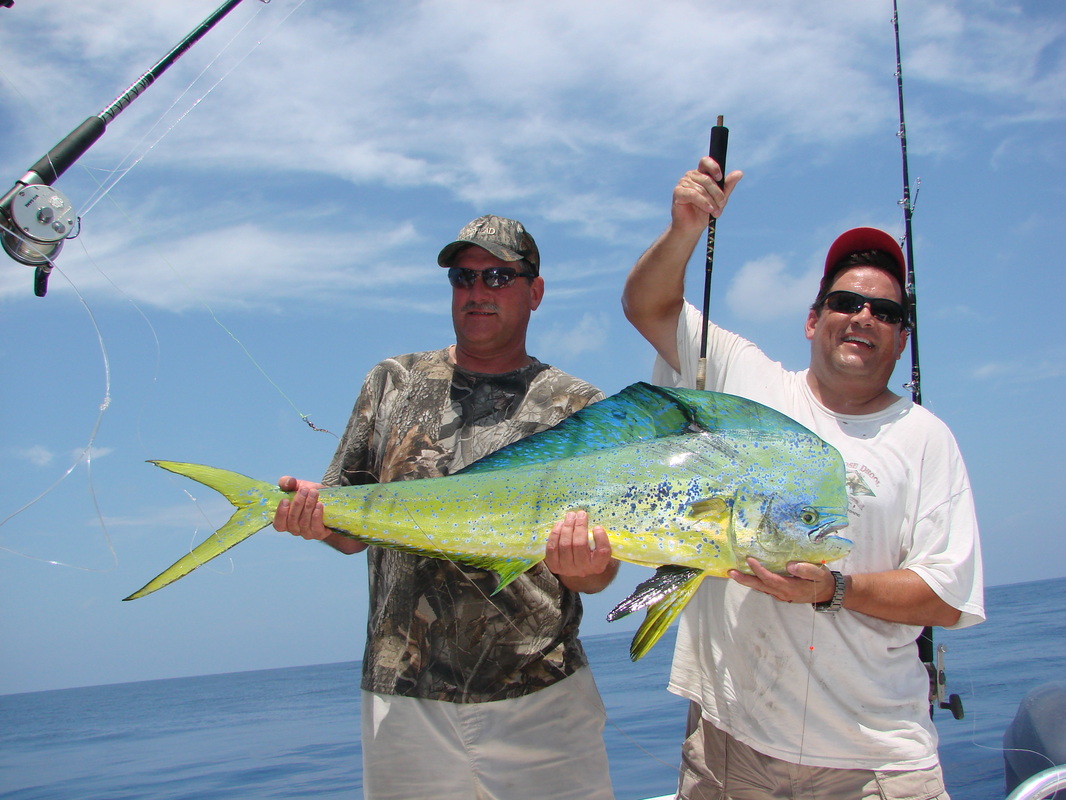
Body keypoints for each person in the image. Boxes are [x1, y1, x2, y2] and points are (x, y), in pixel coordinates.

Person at [621, 157, 985, 800]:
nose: (864, 317)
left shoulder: (926, 439)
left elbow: (947, 595)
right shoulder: (745, 379)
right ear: (813, 320)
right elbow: (647, 305)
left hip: (874, 760)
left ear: (902, 340)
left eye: (885, 311)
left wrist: (833, 589)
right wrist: (684, 230)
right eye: (845, 302)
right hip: (730, 742)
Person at [271, 215, 619, 800]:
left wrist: (589, 569)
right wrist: (313, 516)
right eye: (464, 277)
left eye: (499, 277)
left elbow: (602, 569)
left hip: (541, 696)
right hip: (402, 703)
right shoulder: (392, 381)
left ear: (535, 291)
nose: (478, 292)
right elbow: (350, 527)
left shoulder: (579, 406)